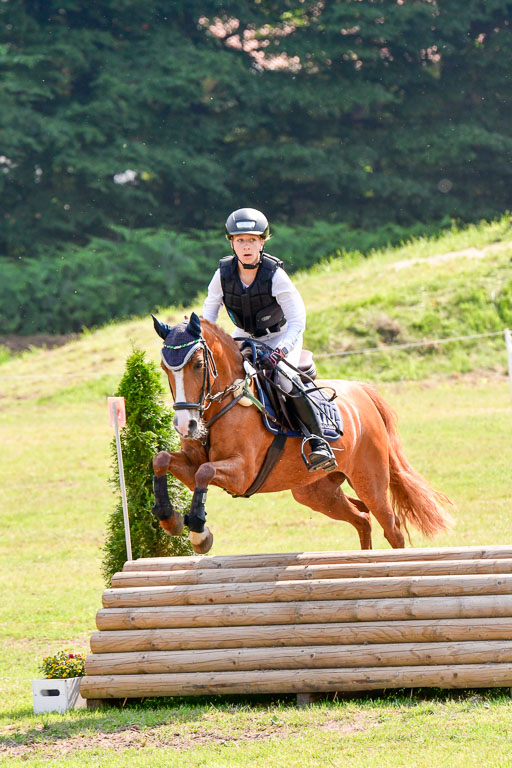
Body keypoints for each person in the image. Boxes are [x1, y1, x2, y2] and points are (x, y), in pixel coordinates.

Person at [202, 207, 337, 472]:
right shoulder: (222, 275)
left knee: (284, 377)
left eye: (252, 239)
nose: (246, 246)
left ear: (263, 241)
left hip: (280, 336)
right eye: (240, 240)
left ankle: (319, 442)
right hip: (244, 337)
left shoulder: (274, 275)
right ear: (231, 243)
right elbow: (209, 316)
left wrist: (282, 351)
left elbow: (298, 319)